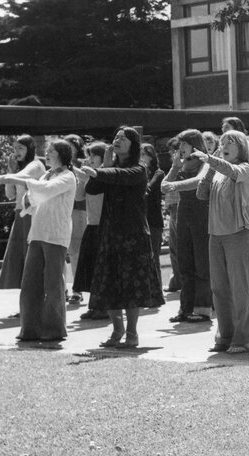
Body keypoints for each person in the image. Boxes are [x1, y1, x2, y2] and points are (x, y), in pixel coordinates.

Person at [81, 126, 164, 348]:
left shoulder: (140, 169)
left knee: (131, 286)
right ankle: (117, 331)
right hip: (109, 234)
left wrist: (99, 171)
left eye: (123, 138)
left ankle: (132, 333)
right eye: (116, 137)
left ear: (133, 145)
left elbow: (120, 176)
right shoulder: (111, 167)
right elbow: (92, 189)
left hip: (133, 235)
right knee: (109, 283)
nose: (117, 141)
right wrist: (103, 167)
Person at [0, 140, 76, 342]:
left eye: (51, 151)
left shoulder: (68, 176)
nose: (47, 154)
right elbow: (30, 200)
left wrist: (17, 180)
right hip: (37, 233)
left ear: (62, 154)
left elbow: (44, 190)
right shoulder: (46, 175)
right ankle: (29, 329)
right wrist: (25, 193)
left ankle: (54, 330)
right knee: (30, 283)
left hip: (55, 235)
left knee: (53, 284)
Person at [192, 130, 249, 354]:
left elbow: (231, 169)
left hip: (239, 233)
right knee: (219, 288)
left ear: (241, 147)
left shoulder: (245, 169)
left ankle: (244, 337)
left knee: (239, 287)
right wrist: (210, 168)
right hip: (216, 235)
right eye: (223, 142)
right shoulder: (217, 170)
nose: (225, 145)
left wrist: (212, 159)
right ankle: (225, 335)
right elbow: (201, 194)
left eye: (231, 142)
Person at [162, 129, 212, 323]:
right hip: (183, 215)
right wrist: (174, 168)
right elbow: (163, 185)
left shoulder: (205, 162)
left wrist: (175, 186)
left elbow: (199, 181)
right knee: (184, 264)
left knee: (202, 263)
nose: (180, 148)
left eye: (184, 144)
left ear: (194, 145)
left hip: (201, 215)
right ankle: (186, 308)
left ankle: (203, 308)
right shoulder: (180, 165)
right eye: (180, 145)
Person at [0, 136, 46, 301]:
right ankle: (28, 301)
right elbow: (10, 195)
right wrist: (11, 171)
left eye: (21, 148)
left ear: (30, 149)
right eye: (15, 148)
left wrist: (11, 174)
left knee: (31, 257)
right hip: (20, 214)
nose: (16, 152)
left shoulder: (36, 165)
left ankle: (37, 299)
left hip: (32, 215)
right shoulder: (19, 168)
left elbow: (24, 176)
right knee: (20, 257)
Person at [72, 142, 109, 320]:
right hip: (91, 225)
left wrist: (85, 174)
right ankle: (94, 305)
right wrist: (81, 177)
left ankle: (103, 307)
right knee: (90, 268)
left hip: (104, 227)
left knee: (101, 269)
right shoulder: (89, 176)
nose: (90, 159)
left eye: (94, 155)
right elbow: (79, 196)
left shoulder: (106, 174)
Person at [63, 134, 88, 305]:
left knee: (75, 250)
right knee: (59, 251)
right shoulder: (57, 166)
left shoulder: (82, 165)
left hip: (77, 211)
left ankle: (77, 289)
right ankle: (61, 288)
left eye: (70, 146)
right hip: (61, 210)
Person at [141, 144, 165, 290]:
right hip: (140, 220)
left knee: (153, 257)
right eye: (140, 154)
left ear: (152, 157)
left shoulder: (159, 172)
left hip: (154, 220)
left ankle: (156, 291)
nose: (142, 157)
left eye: (145, 154)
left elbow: (149, 189)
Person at [162, 138, 182, 292]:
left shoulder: (187, 166)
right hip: (173, 209)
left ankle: (180, 279)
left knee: (180, 249)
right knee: (174, 248)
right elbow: (165, 185)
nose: (171, 155)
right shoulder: (175, 167)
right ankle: (177, 279)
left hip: (182, 209)